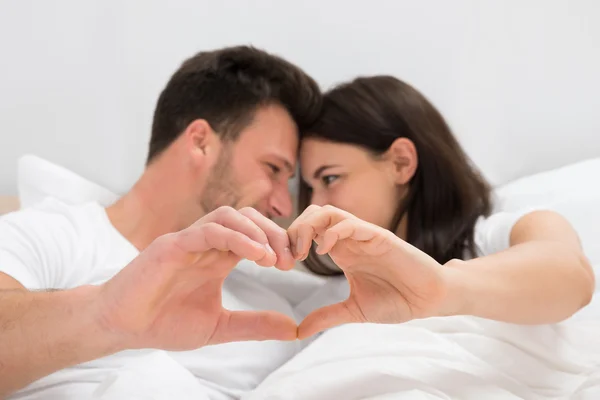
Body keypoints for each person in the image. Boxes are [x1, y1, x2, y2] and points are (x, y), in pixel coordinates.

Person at [0, 46, 322, 399]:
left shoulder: (270, 311)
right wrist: (105, 317)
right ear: (200, 142)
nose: (281, 204)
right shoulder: (50, 236)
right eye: (273, 169)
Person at [287, 75, 594, 339]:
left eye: (330, 178)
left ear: (400, 162)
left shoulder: (492, 239)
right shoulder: (326, 304)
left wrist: (440, 288)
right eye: (311, 188)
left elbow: (573, 276)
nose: (315, 205)